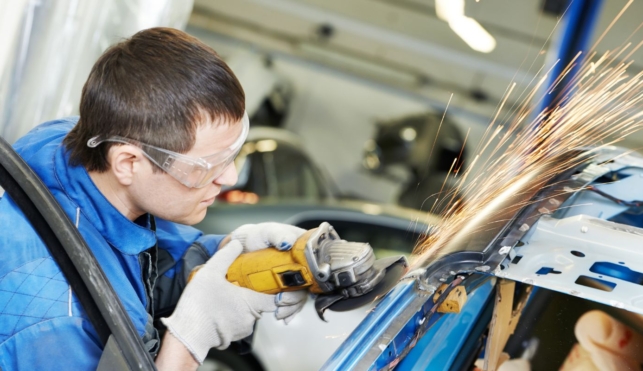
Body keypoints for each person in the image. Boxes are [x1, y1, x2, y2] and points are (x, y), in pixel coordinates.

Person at [0, 27, 308, 370]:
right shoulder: (62, 324)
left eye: (232, 153)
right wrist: (191, 338)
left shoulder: (71, 142)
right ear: (128, 163)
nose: (230, 178)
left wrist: (232, 253)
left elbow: (146, 262)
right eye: (209, 165)